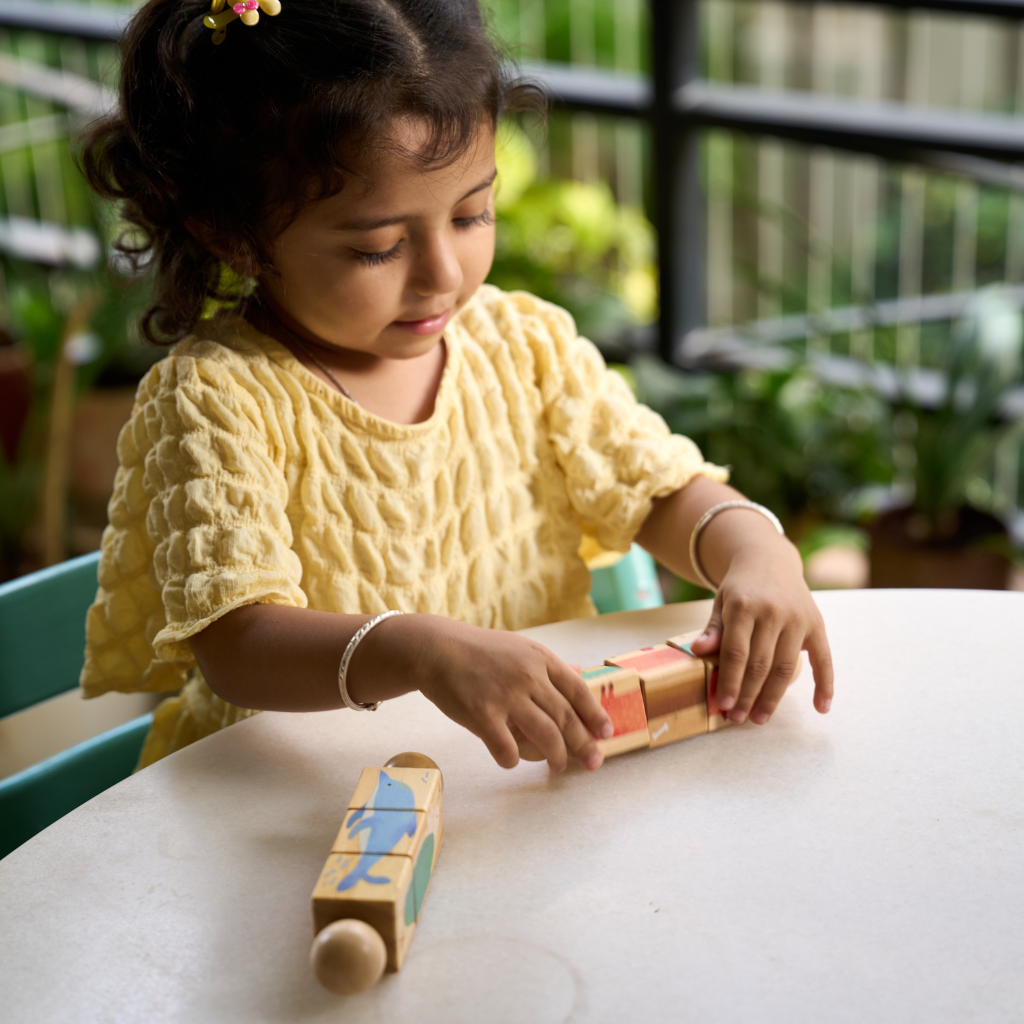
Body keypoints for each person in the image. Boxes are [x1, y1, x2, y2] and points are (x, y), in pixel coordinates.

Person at [79, 0, 833, 774]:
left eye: (472, 214)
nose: (443, 275)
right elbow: (237, 644)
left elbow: (659, 491)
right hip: (292, 795)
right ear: (232, 234)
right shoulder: (217, 398)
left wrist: (757, 550)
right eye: (378, 247)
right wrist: (418, 650)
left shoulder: (521, 345)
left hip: (510, 783)